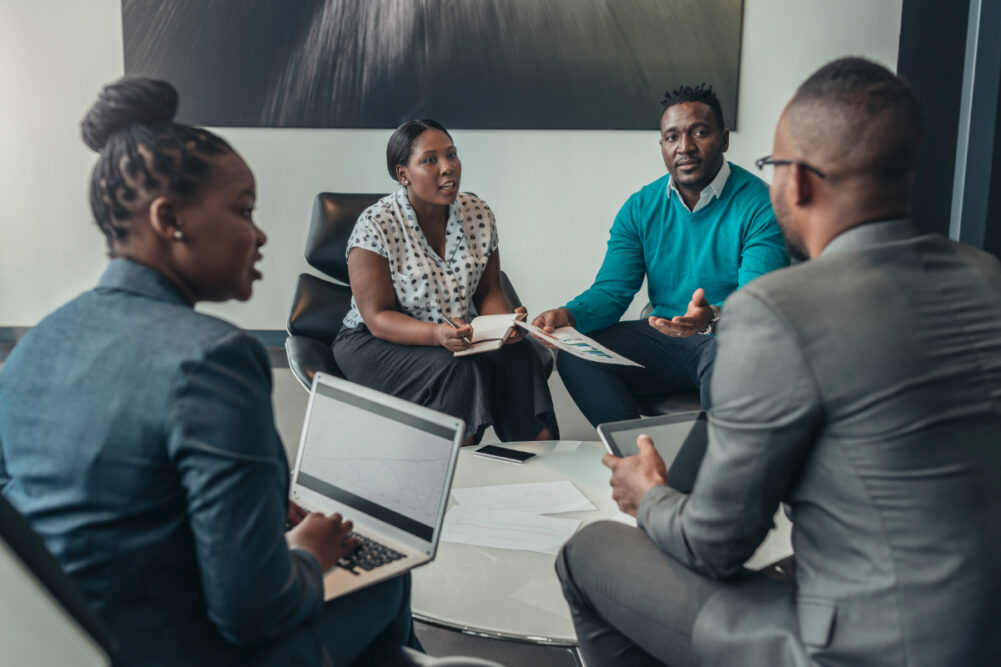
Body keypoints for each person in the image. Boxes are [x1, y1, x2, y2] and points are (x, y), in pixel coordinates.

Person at [556, 57, 1001, 667]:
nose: (685, 146)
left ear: (800, 183)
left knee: (588, 552)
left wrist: (651, 494)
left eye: (776, 167)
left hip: (855, 647)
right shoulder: (988, 278)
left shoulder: (778, 309)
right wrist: (566, 315)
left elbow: (714, 547)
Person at [0, 77, 419, 666]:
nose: (261, 233)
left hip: (75, 641)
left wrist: (263, 506)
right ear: (169, 219)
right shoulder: (213, 357)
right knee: (385, 579)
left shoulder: (36, 345)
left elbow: (106, 503)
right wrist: (306, 553)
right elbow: (254, 610)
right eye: (244, 210)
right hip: (182, 649)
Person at [533, 84, 788, 426]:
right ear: (662, 146)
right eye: (672, 137)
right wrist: (568, 315)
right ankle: (636, 460)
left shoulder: (761, 205)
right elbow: (612, 291)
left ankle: (715, 471)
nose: (685, 147)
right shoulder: (640, 207)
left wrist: (710, 317)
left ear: (724, 139)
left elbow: (758, 305)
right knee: (577, 354)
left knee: (725, 355)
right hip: (664, 339)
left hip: (729, 340)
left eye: (699, 132)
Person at [333, 119, 558, 445]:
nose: (448, 167)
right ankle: (456, 472)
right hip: (373, 342)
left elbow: (489, 290)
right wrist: (436, 334)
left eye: (452, 155)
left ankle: (539, 459)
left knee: (518, 355)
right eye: (430, 160)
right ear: (403, 174)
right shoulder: (376, 224)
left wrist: (503, 326)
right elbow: (377, 317)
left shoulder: (478, 213)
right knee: (459, 371)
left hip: (457, 334)